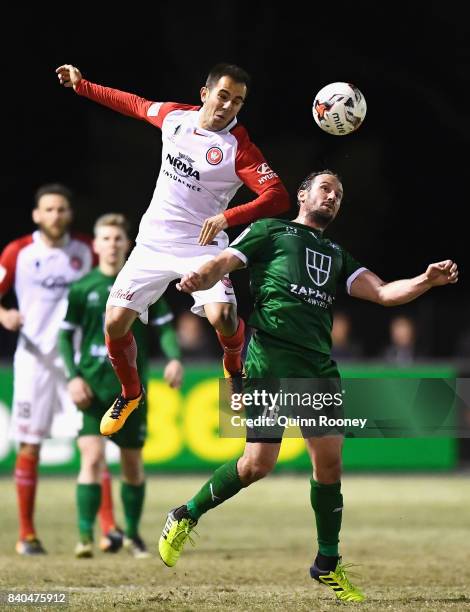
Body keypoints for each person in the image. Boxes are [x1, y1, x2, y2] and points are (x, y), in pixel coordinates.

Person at [158, 170, 458, 603]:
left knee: (330, 463)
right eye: (325, 189)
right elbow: (225, 261)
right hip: (269, 360)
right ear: (302, 195)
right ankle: (185, 514)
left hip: (317, 367)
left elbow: (386, 293)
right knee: (256, 464)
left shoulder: (336, 253)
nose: (333, 197)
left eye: (339, 193)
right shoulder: (270, 230)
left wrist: (426, 280)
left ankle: (327, 563)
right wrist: (203, 278)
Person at [55, 62, 290, 436]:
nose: (228, 106)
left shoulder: (238, 149)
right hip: (152, 244)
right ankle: (131, 394)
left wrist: (229, 217)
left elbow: (277, 197)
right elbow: (133, 103)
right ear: (205, 94)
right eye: (223, 96)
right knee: (114, 324)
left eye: (237, 102)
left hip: (203, 246)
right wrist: (83, 87)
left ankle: (233, 368)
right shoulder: (175, 118)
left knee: (223, 318)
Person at [58, 213, 184, 558]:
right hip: (92, 389)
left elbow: (165, 328)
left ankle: (132, 535)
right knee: (92, 459)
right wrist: (73, 377)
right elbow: (66, 337)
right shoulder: (82, 288)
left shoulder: (145, 284)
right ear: (95, 245)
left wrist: (173, 358)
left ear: (127, 244)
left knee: (131, 463)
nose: (112, 244)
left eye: (117, 238)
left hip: (131, 390)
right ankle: (85, 537)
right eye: (106, 238)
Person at [0, 184, 95, 555]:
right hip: (35, 359)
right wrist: (4, 313)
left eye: (61, 209)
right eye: (49, 210)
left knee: (92, 443)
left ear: (69, 214)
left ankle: (106, 530)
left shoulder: (87, 249)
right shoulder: (18, 253)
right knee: (30, 444)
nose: (55, 215)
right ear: (37, 215)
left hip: (77, 363)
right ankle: (26, 534)